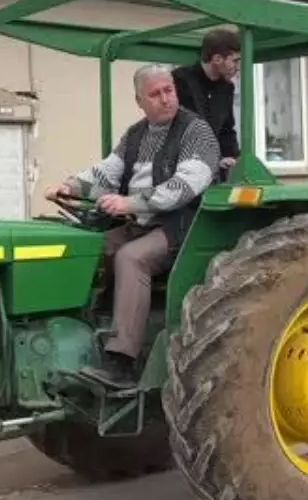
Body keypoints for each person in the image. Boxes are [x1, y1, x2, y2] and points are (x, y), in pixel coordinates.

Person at [45, 63, 220, 387]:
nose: (166, 99)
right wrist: (70, 185)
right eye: (155, 94)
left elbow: (185, 185)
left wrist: (130, 203)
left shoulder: (196, 132)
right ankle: (80, 330)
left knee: (131, 257)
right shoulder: (136, 134)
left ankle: (122, 362)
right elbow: (106, 172)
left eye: (169, 90)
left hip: (182, 226)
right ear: (140, 101)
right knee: (86, 249)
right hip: (140, 222)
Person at [172, 28, 241, 177]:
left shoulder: (226, 88)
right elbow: (177, 130)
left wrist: (232, 158)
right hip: (181, 171)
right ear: (217, 59)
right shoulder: (180, 80)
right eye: (234, 60)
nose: (237, 67)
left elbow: (227, 130)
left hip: (214, 173)